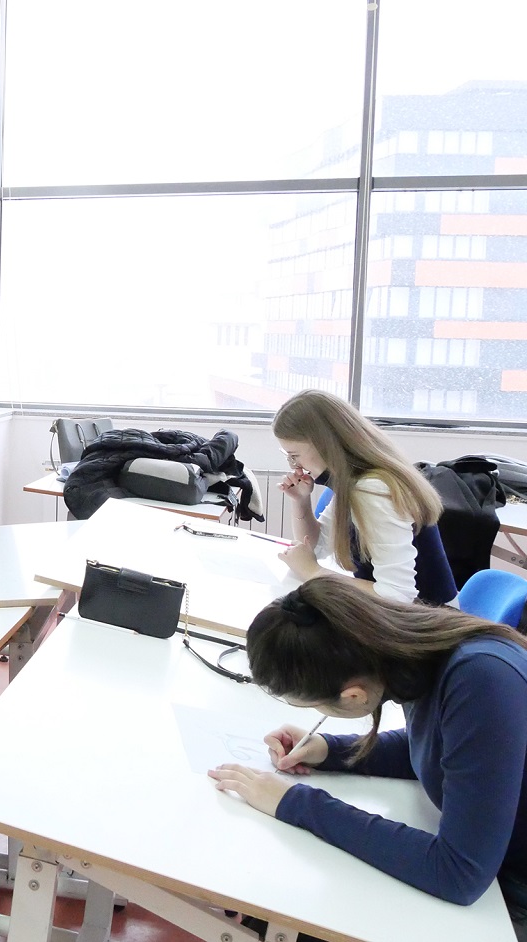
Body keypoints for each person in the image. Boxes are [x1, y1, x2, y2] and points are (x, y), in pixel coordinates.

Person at [209, 576, 527, 939]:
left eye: (314, 706)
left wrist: (295, 802)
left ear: (354, 696)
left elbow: (458, 874)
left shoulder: (480, 680)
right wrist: (330, 750)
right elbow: (442, 750)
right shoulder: (411, 649)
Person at [273, 388, 456, 605]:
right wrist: (301, 501)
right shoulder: (354, 479)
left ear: (325, 445)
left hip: (425, 618)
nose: (295, 467)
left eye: (295, 456)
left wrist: (313, 572)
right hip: (400, 613)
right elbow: (315, 547)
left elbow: (397, 595)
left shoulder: (373, 490)